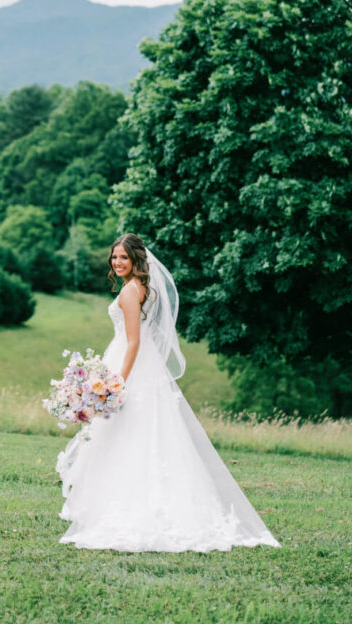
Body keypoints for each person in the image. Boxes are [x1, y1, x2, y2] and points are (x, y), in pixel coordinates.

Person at [55, 233, 280, 552]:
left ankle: (133, 511)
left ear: (136, 260)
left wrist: (117, 382)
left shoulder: (132, 291)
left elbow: (133, 342)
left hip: (129, 366)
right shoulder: (141, 287)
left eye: (124, 257)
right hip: (138, 366)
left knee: (128, 437)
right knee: (136, 437)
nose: (118, 262)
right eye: (114, 257)